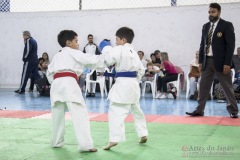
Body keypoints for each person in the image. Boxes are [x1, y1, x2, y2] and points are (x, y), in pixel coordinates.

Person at [46, 30, 105, 152]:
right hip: (69, 83)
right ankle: (85, 145)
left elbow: (49, 73)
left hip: (56, 84)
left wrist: (56, 82)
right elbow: (91, 60)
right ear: (68, 42)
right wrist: (108, 58)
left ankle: (56, 142)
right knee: (79, 113)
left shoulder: (57, 55)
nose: (78, 44)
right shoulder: (74, 52)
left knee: (57, 114)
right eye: (76, 41)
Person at [186, 3, 238, 118]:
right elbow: (202, 44)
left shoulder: (226, 25)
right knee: (203, 86)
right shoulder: (205, 26)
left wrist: (227, 63)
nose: (210, 14)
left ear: (219, 12)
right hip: (207, 61)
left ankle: (233, 111)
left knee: (227, 87)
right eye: (209, 12)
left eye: (213, 12)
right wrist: (200, 61)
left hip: (221, 61)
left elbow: (230, 46)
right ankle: (199, 110)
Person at [101, 27, 148, 150]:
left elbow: (108, 61)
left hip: (122, 84)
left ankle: (114, 139)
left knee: (116, 111)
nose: (115, 42)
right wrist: (134, 81)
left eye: (116, 39)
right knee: (136, 110)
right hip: (133, 85)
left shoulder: (118, 49)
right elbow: (141, 71)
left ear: (123, 39)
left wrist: (105, 50)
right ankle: (143, 133)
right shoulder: (135, 53)